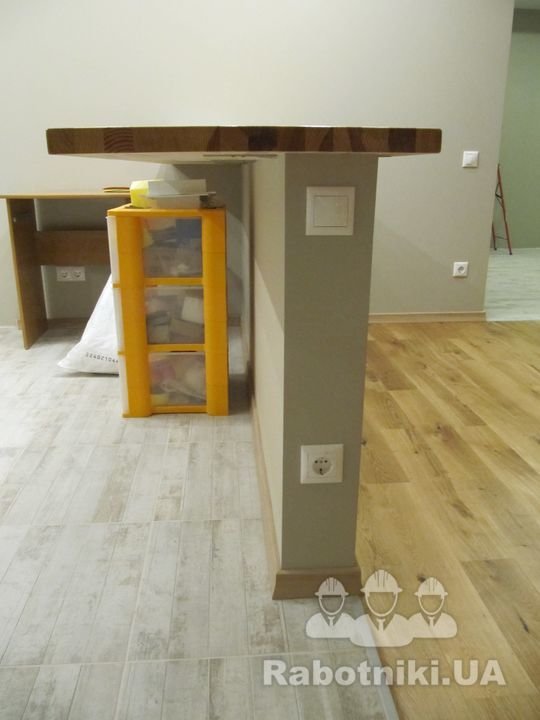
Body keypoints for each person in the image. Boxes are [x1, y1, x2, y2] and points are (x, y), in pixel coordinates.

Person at [351, 570, 412, 647]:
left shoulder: (402, 625)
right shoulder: (359, 622)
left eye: (389, 595)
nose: (382, 600)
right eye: (373, 595)